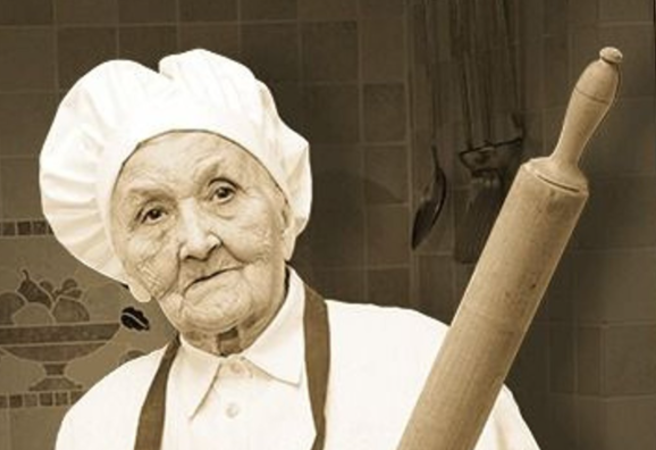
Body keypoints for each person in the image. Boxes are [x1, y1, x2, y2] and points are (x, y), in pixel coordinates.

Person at [40, 49, 539, 449]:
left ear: (284, 209)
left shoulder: (421, 362)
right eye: (153, 214)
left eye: (222, 192)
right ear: (126, 266)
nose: (196, 242)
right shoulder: (99, 428)